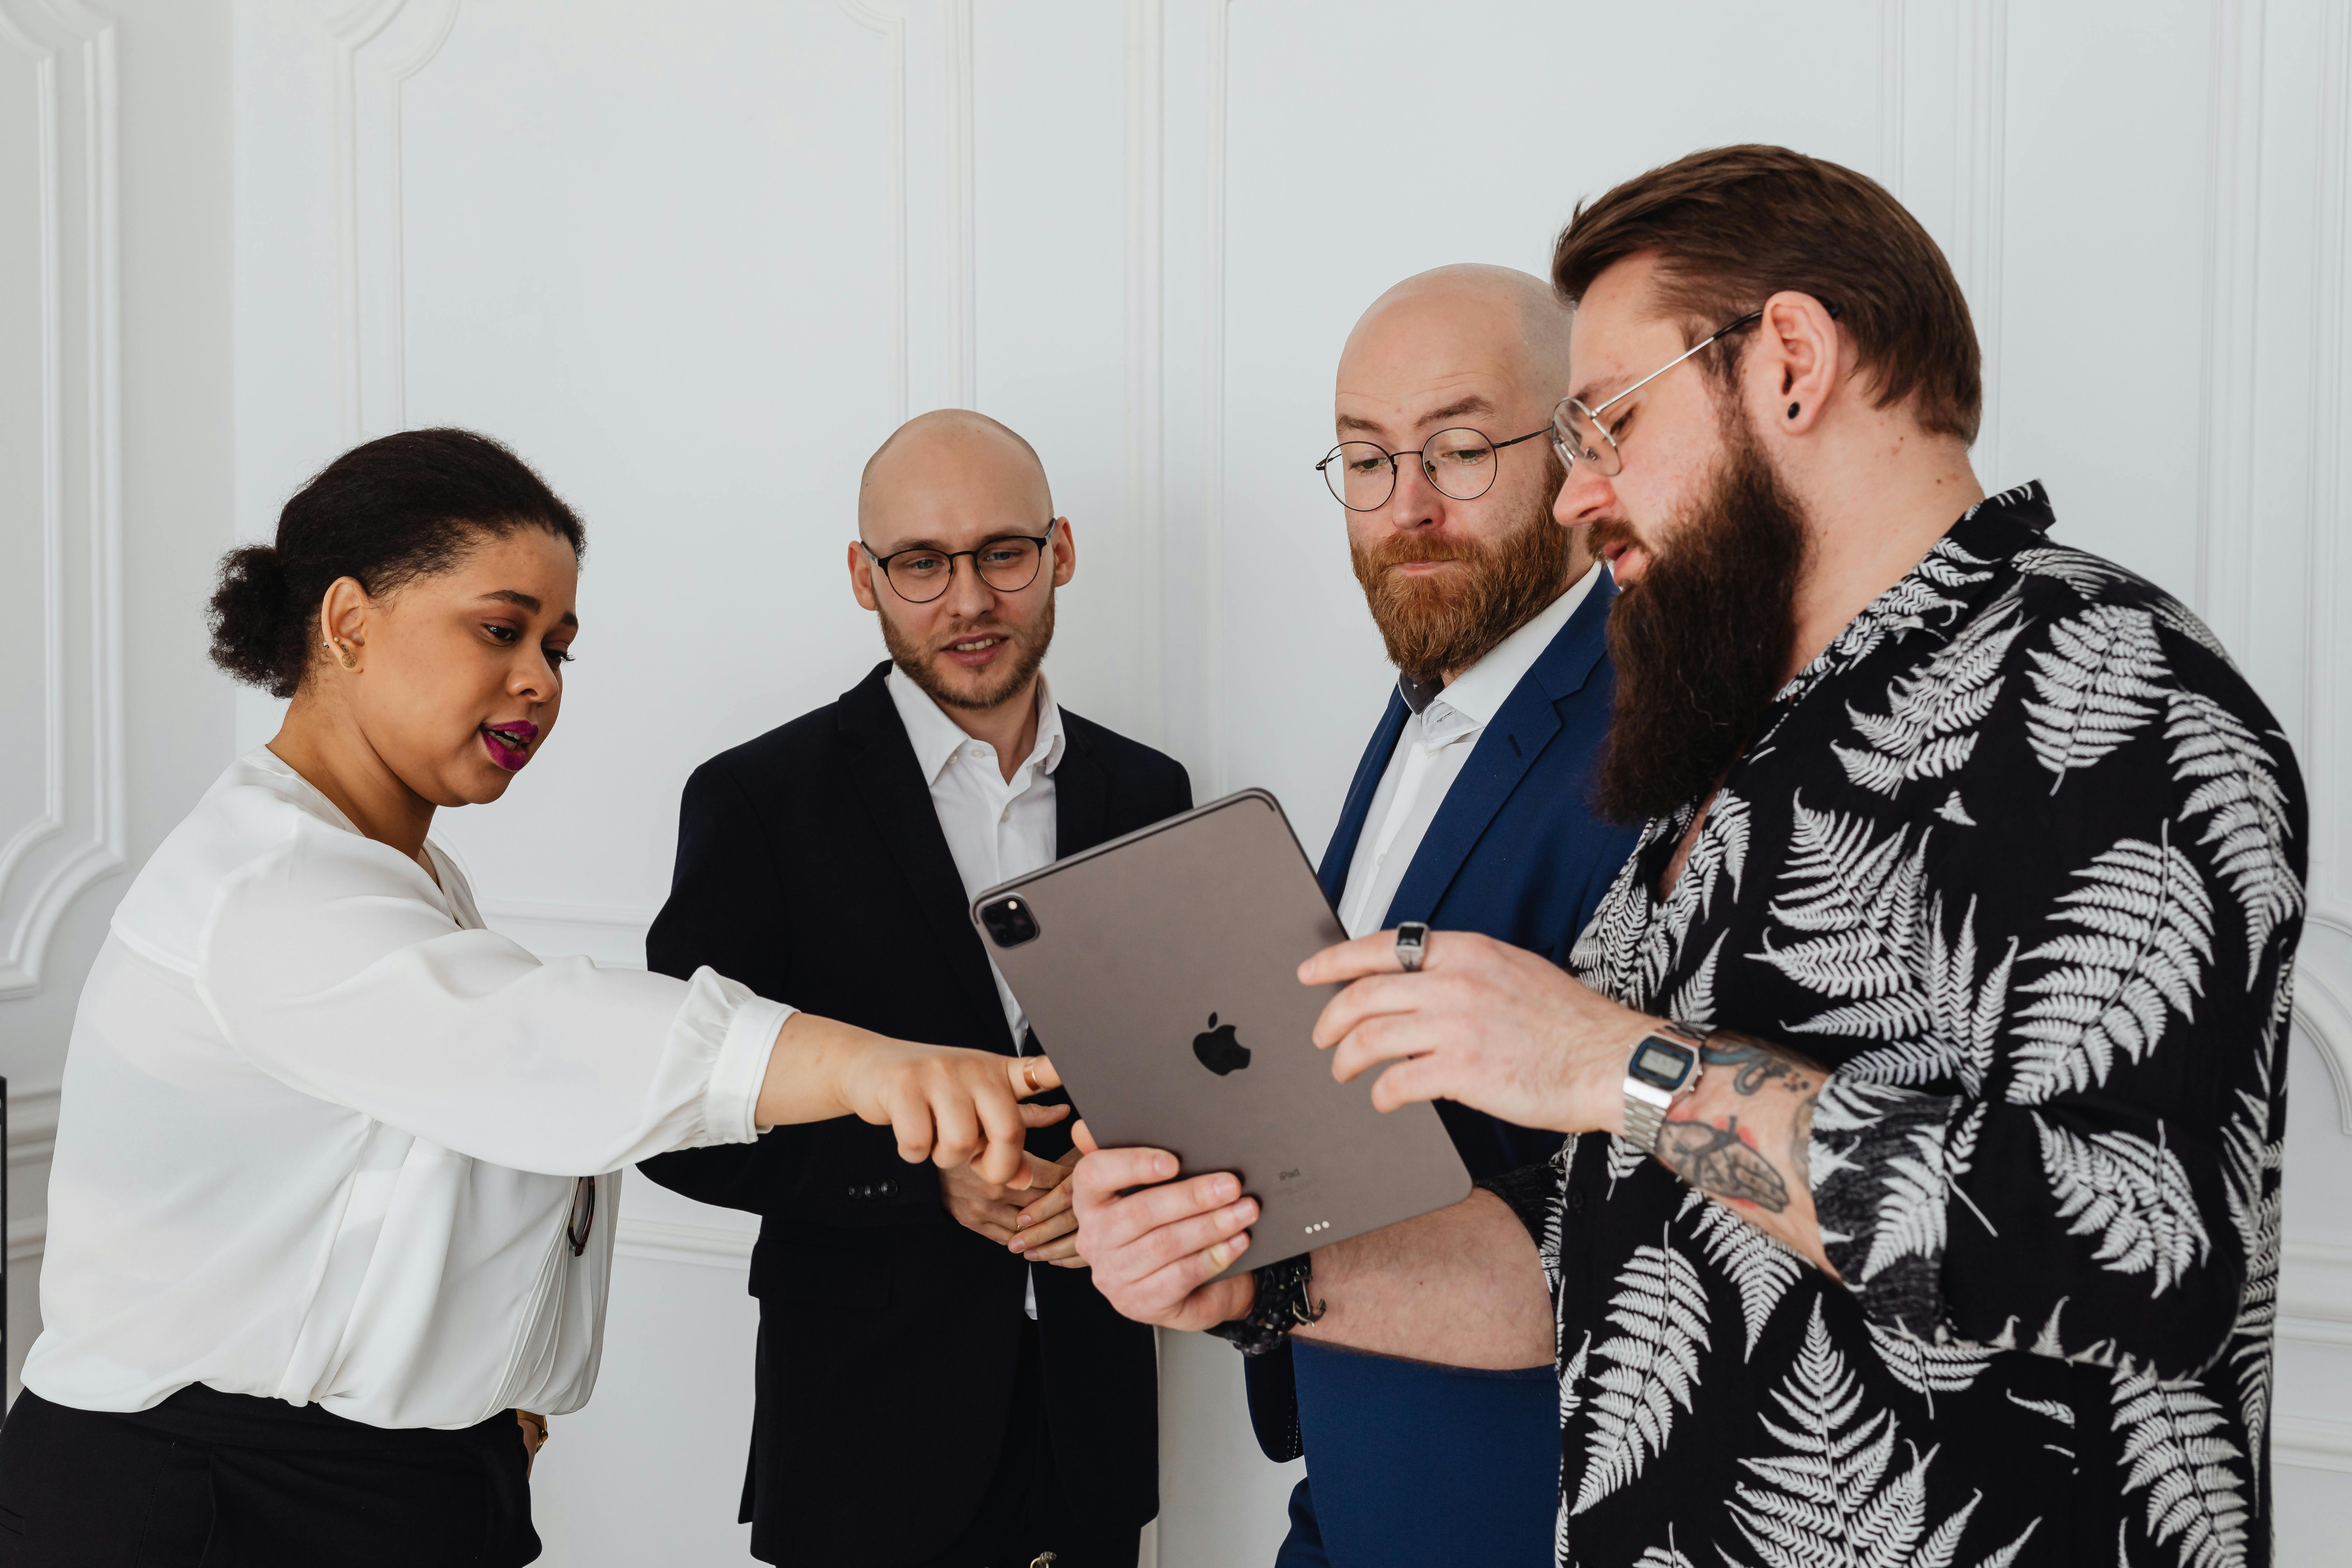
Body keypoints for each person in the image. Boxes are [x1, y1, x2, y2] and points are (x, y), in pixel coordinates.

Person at [1073, 145, 2302, 1567]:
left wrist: (1616, 1063)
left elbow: (2150, 1251)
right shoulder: (1732, 748)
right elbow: (1588, 1258)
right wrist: (1259, 1281)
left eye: (1606, 421)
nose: (1576, 493)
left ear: (1790, 362)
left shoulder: (2115, 683)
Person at [0, 429, 1063, 1568]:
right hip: (202, 1500)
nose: (541, 684)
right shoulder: (268, 883)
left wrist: (482, 1404)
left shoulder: (404, 873)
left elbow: (412, 1176)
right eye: (500, 631)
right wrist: (872, 1066)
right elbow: (540, 1042)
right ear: (349, 623)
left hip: (374, 1482)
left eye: (558, 648)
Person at [636, 410, 1184, 1568]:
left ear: (1061, 552)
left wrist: (1111, 1177)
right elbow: (676, 1117)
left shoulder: (1149, 791)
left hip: (1090, 1427)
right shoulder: (758, 801)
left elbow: (1191, 1068)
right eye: (922, 564)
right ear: (863, 576)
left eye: (1003, 554)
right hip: (864, 1446)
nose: (969, 600)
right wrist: (924, 1181)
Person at [1258, 265, 1640, 1568]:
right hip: (1352, 1468)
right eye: (1368, 460)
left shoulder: (1660, 729)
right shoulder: (1432, 683)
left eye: (1461, 450)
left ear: (1578, 449)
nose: (1407, 507)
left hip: (1521, 1501)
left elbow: (1638, 1203)